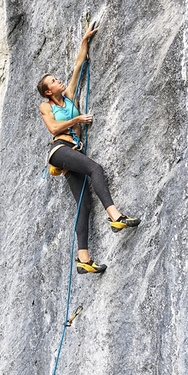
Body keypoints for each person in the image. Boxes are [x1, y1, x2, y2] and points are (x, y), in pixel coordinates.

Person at [38, 24, 140, 274]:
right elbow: (53, 129)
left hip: (72, 154)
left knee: (83, 204)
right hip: (59, 151)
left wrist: (84, 40)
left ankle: (83, 260)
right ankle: (115, 217)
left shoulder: (70, 96)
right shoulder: (46, 107)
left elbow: (78, 65)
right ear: (48, 92)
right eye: (53, 81)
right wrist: (76, 120)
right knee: (95, 168)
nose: (58, 80)